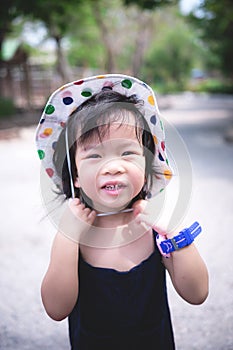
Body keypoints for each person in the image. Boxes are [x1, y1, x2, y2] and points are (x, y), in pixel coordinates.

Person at [35, 74, 208, 349]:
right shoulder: (74, 235)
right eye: (94, 156)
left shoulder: (154, 228)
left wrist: (172, 229)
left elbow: (197, 292)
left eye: (127, 153)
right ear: (74, 175)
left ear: (147, 162)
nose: (114, 167)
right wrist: (68, 236)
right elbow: (56, 308)